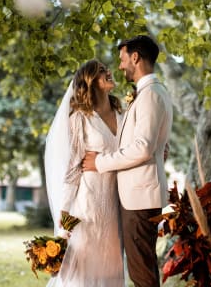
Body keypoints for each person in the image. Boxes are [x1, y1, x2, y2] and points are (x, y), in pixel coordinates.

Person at [82, 35, 173, 287]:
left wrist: (99, 163)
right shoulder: (149, 93)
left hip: (140, 198)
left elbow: (142, 148)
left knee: (141, 273)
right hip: (134, 196)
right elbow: (153, 144)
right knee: (140, 268)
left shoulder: (151, 95)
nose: (120, 66)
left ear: (135, 57)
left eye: (123, 59)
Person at [45, 59, 125, 287]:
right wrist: (64, 208)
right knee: (84, 271)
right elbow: (73, 167)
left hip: (116, 205)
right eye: (101, 72)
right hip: (87, 206)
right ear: (90, 82)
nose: (109, 72)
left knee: (111, 268)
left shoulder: (124, 115)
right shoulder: (80, 118)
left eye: (106, 69)